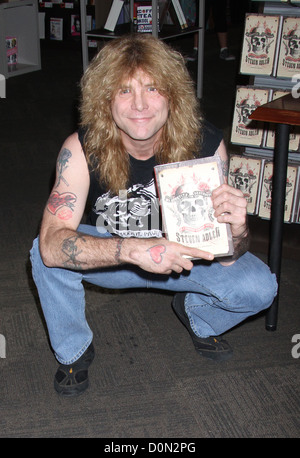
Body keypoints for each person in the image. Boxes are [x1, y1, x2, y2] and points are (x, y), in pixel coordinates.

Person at [30, 34, 277, 397]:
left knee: (261, 287)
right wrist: (133, 250)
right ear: (105, 100)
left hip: (184, 261)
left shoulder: (206, 145)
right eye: (124, 90)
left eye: (153, 88)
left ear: (173, 95)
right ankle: (74, 350)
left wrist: (237, 231)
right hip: (116, 258)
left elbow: (227, 257)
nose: (140, 104)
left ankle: (197, 316)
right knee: (42, 252)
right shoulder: (80, 150)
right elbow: (52, 247)